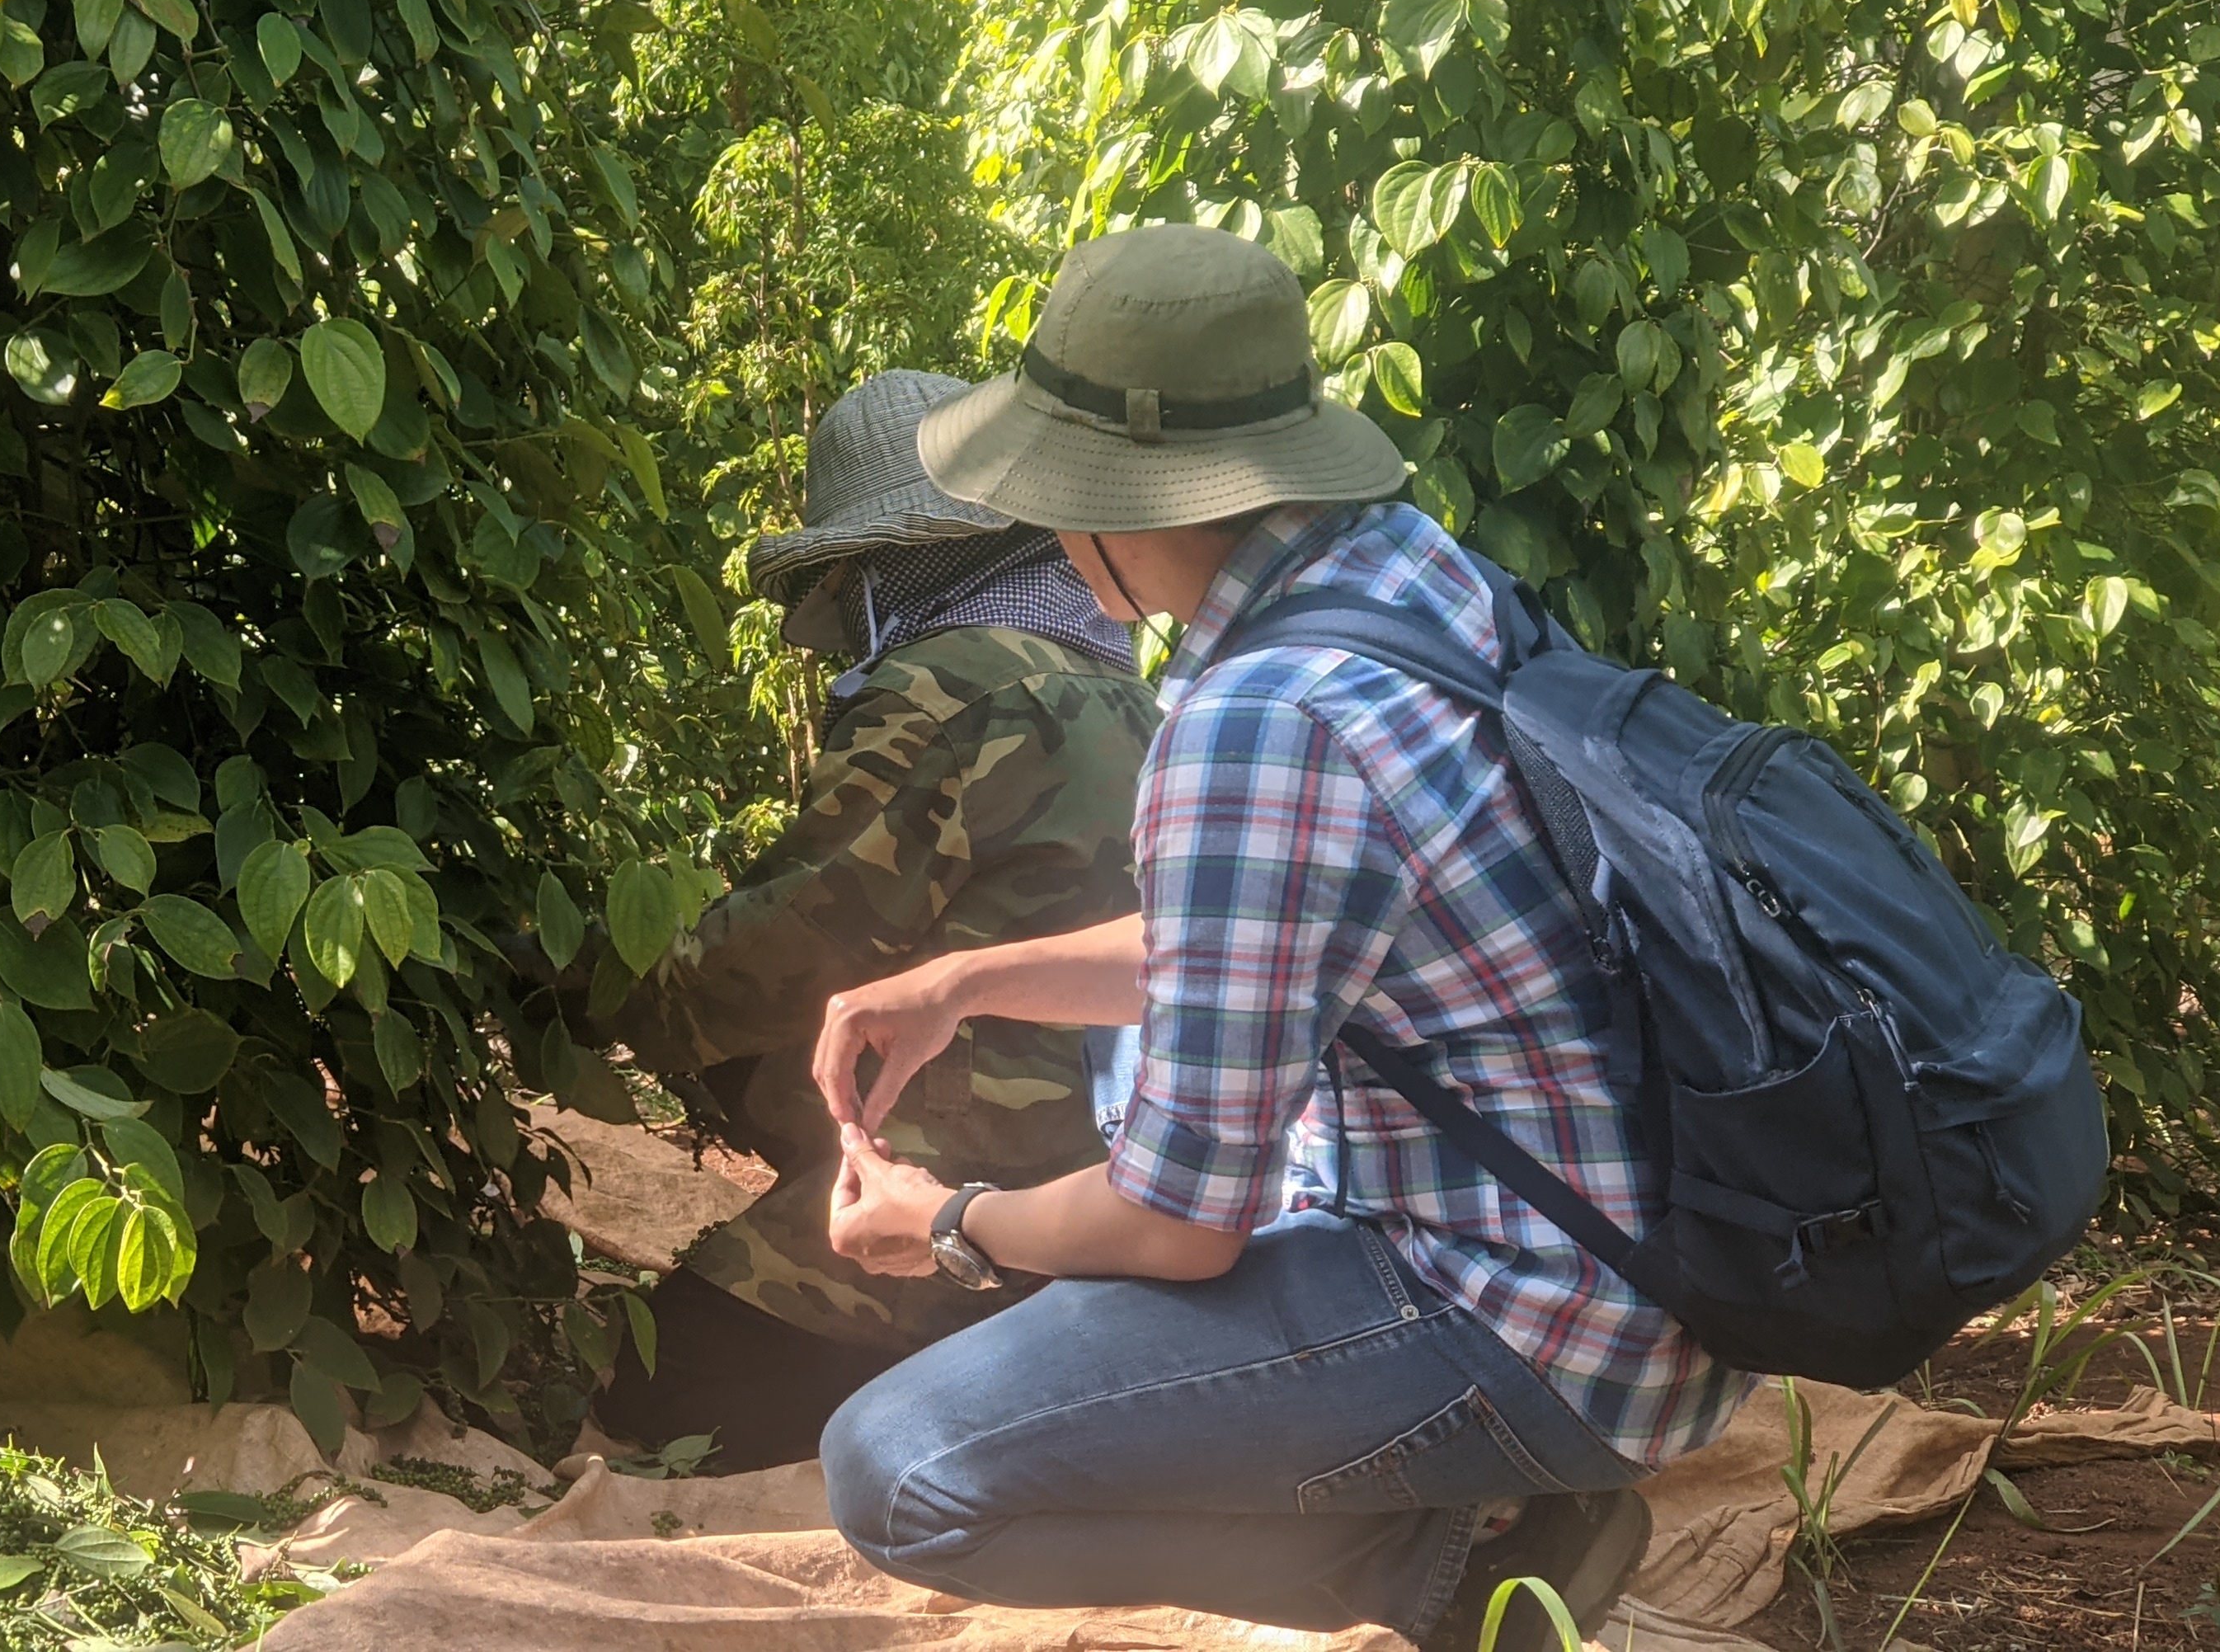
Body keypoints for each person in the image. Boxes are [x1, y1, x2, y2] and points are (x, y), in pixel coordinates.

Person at [806, 226, 1751, 1652]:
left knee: (899, 1475)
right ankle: (1490, 1501)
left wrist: (947, 1226)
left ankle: (1448, 1565)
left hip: (1536, 1327)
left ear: (1135, 497)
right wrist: (969, 981)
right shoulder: (1416, 578)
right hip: (1654, 1277)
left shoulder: (1257, 721)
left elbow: (1179, 1226)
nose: (1054, 535)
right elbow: (1252, 941)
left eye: (1062, 493)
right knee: (1138, 1072)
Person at [583, 368, 1162, 1473]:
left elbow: (799, 944)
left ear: (902, 559)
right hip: (1104, 1206)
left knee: (664, 1402)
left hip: (947, 1202)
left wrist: (597, 985)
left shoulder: (951, 682)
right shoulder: (1131, 697)